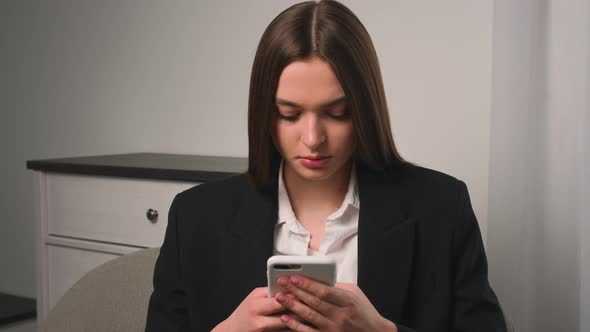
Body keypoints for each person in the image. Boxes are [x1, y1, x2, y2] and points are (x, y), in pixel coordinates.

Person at [145, 1, 508, 331]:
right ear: (264, 114)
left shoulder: (441, 208)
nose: (313, 138)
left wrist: (381, 331)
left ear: (365, 109)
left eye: (337, 113)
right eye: (289, 114)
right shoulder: (195, 217)